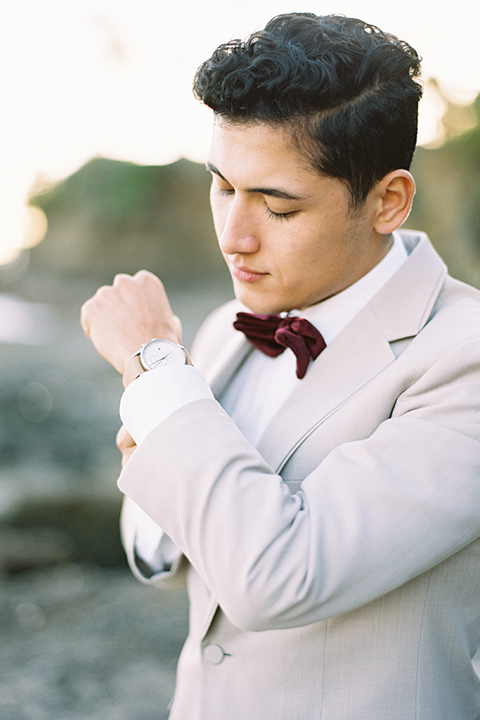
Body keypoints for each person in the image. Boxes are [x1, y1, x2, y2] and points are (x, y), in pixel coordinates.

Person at [80, 12, 480, 720]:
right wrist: (165, 427)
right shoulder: (223, 330)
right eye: (223, 187)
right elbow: (166, 556)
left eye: (278, 207)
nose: (234, 237)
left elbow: (281, 577)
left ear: (388, 201)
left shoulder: (464, 356)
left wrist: (152, 368)